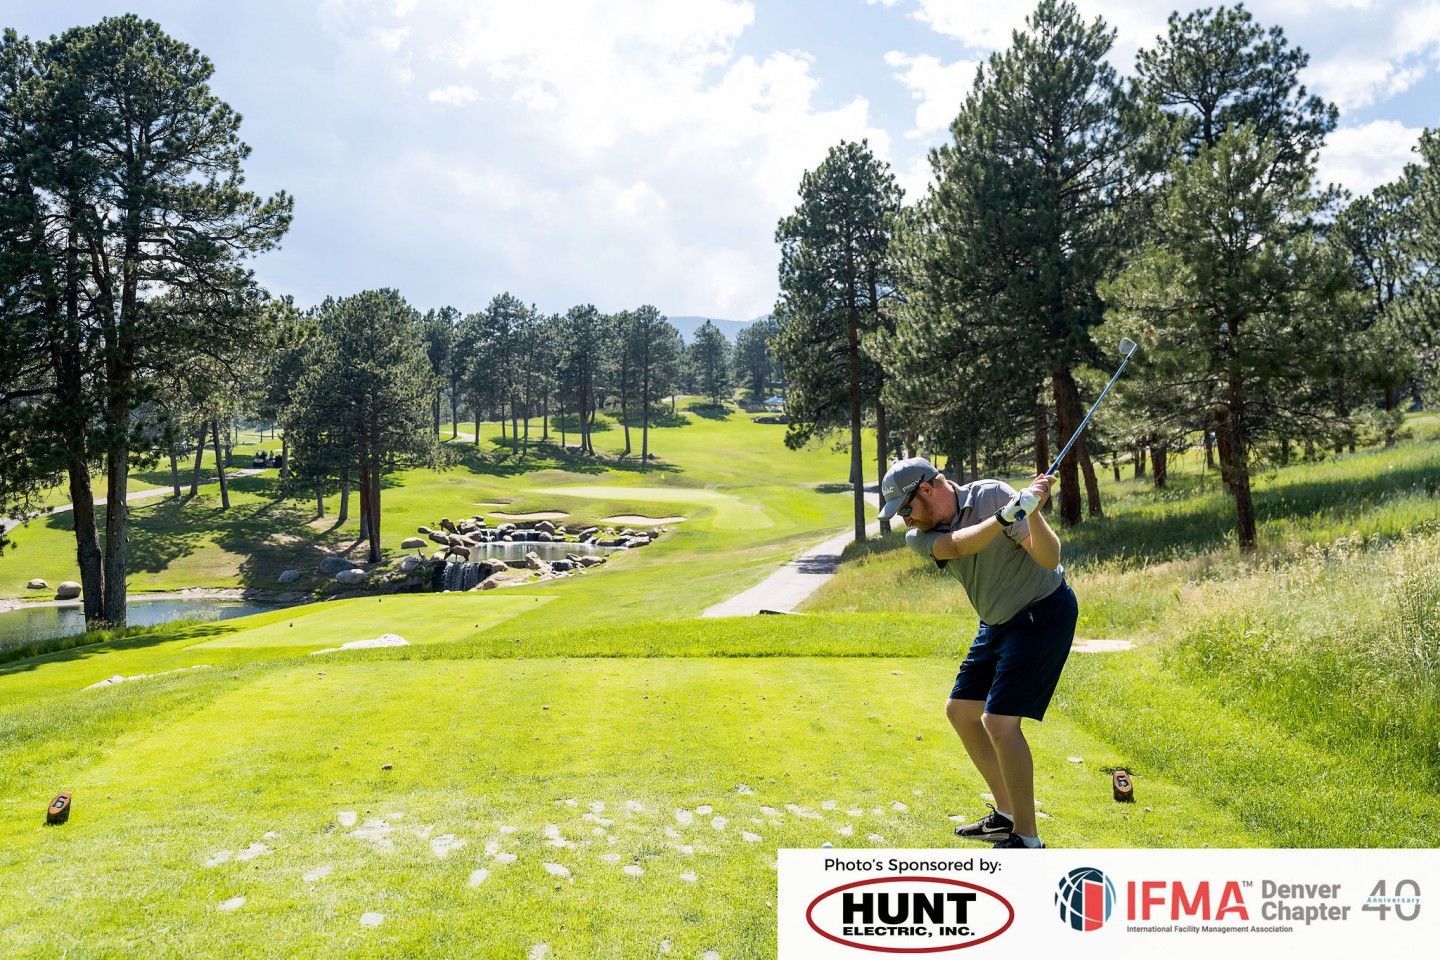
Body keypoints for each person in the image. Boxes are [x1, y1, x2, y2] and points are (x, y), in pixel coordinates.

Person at [877, 457, 1078, 850]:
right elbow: (959, 544)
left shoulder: (993, 495)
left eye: (906, 508)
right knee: (961, 712)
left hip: (1043, 610)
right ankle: (1006, 816)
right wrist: (1006, 517)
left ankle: (1027, 838)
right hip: (997, 620)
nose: (906, 520)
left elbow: (1049, 559)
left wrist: (1031, 511)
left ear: (927, 489)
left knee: (1000, 722)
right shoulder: (920, 537)